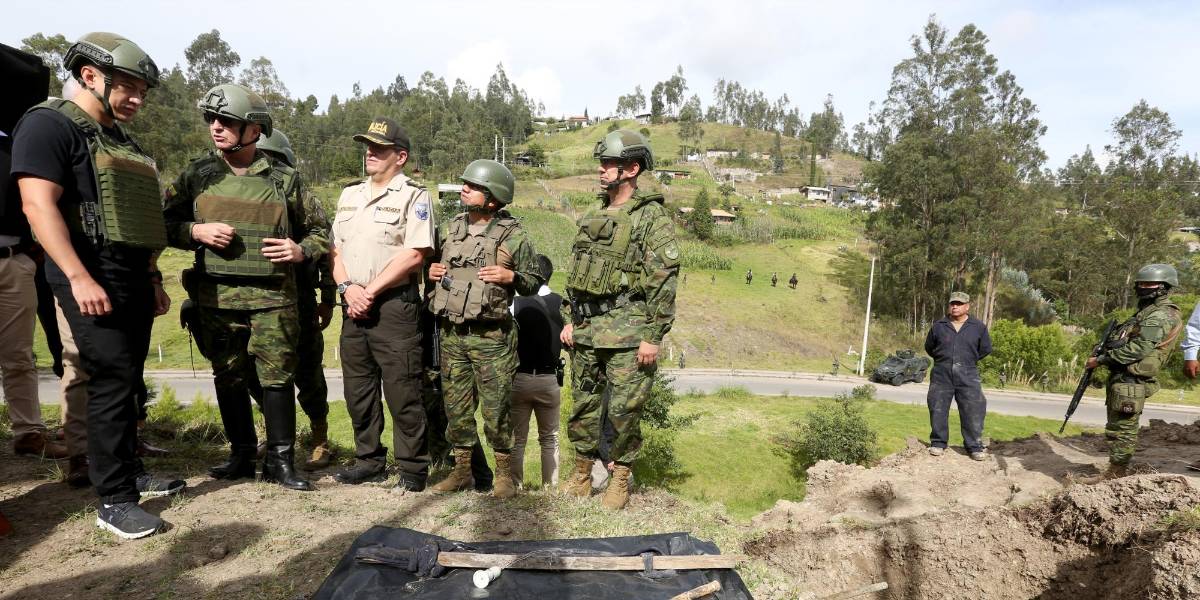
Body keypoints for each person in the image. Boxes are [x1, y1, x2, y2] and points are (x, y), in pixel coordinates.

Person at [14, 32, 184, 539]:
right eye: (128, 86)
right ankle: (114, 500)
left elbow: (135, 213)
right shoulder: (48, 125)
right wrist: (78, 276)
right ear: (90, 75)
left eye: (143, 91)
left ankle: (129, 468)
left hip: (129, 273)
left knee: (128, 378)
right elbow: (37, 206)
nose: (137, 98)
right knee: (109, 378)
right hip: (88, 274)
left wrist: (152, 276)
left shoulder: (117, 139)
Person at [164, 83, 326, 492]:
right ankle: (240, 454)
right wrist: (195, 230)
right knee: (228, 375)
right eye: (212, 120)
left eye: (227, 121)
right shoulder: (198, 175)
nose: (216, 128)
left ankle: (280, 460)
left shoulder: (285, 179)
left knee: (276, 379)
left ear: (254, 129)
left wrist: (300, 248)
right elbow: (162, 224)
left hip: (273, 297)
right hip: (216, 297)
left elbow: (323, 231)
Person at [560, 129, 679, 510]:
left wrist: (654, 335)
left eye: (609, 163)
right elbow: (577, 272)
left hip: (629, 333)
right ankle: (580, 476)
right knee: (582, 406)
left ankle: (620, 480)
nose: (602, 168)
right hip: (587, 330)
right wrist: (570, 319)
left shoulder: (651, 218)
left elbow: (664, 278)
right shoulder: (593, 213)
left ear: (631, 168)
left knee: (625, 412)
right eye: (602, 162)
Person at [427, 159, 543, 499]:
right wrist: (432, 272)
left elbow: (534, 281)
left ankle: (504, 477)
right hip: (452, 335)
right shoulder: (450, 229)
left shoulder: (514, 235)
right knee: (456, 409)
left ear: (493, 197)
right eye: (465, 183)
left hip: (492, 339)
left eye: (473, 186)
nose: (464, 188)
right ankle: (462, 471)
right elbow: (435, 272)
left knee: (496, 411)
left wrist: (512, 277)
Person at [329, 117, 432, 492]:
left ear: (400, 156)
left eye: (380, 148)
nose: (370, 152)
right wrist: (346, 288)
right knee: (358, 390)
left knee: (403, 391)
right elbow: (335, 249)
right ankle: (368, 460)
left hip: (392, 306)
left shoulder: (414, 196)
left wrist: (368, 291)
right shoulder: (349, 195)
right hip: (351, 303)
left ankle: (412, 470)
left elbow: (415, 255)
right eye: (367, 146)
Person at [251, 128, 336, 471]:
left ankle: (320, 438)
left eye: (272, 161)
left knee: (309, 375)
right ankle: (269, 434)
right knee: (257, 374)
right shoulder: (238, 192)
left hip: (298, 300)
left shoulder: (301, 195)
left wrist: (327, 299)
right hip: (252, 299)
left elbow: (326, 251)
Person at [1, 42, 68, 461]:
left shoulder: (19, 143)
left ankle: (28, 431)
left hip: (14, 262)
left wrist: (30, 255)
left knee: (19, 355)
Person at [1080, 264, 1181, 482]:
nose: (1143, 287)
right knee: (1116, 427)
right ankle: (1115, 471)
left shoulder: (1161, 315)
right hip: (1124, 376)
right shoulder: (1147, 311)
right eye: (1141, 284)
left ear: (1164, 287)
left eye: (1150, 284)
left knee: (1124, 430)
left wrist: (1101, 360)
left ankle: (1115, 475)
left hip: (1133, 378)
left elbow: (1141, 348)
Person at [509, 254, 564, 489]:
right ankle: (550, 488)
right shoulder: (561, 303)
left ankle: (514, 485)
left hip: (519, 378)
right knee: (550, 439)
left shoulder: (514, 304)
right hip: (549, 379)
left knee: (517, 440)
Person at [923, 292, 992, 461]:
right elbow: (929, 347)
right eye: (953, 303)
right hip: (942, 373)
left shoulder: (978, 327)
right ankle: (938, 443)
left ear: (967, 306)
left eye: (959, 304)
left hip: (968, 373)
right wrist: (944, 360)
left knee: (973, 410)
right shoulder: (939, 326)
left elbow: (985, 349)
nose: (955, 306)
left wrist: (967, 360)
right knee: (937, 408)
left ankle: (974, 446)